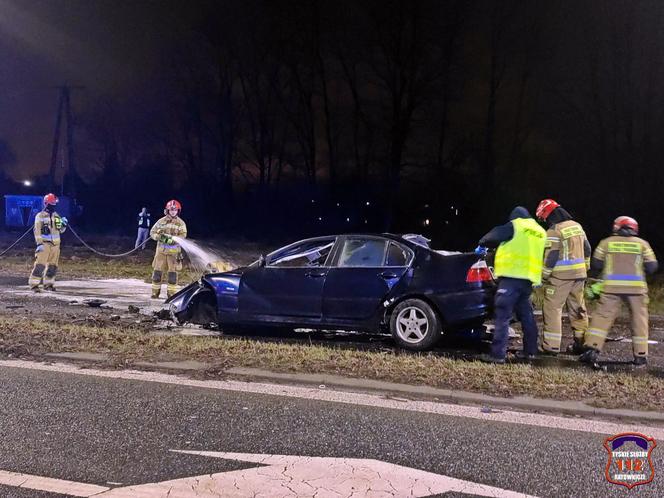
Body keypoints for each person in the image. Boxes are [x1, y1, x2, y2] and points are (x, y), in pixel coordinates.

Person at [580, 216, 658, 366]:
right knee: (639, 320)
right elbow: (652, 267)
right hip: (637, 290)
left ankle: (592, 349)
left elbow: (596, 264)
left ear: (617, 227)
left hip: (611, 288)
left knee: (602, 317)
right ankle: (640, 355)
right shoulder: (642, 244)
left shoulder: (606, 242)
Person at [477, 207, 546, 363]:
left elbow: (490, 237)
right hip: (528, 279)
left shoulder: (515, 225)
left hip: (511, 278)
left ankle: (497, 355)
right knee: (527, 316)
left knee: (502, 315)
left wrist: (482, 245)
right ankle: (531, 351)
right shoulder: (540, 231)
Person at [535, 199, 591, 355]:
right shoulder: (577, 226)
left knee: (552, 309)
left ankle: (551, 346)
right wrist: (586, 267)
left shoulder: (554, 231)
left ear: (549, 215)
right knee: (578, 309)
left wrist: (542, 277)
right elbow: (587, 249)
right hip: (579, 276)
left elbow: (551, 257)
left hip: (560, 278)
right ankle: (581, 343)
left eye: (544, 218)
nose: (545, 221)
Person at [28, 193, 68, 292]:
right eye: (51, 204)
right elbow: (36, 231)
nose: (53, 206)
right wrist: (39, 243)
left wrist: (64, 225)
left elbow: (61, 230)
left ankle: (49, 284)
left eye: (54, 204)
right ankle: (34, 285)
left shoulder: (56, 216)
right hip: (44, 245)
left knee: (52, 266)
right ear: (46, 204)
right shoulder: (40, 216)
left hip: (55, 245)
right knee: (40, 265)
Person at [149, 199, 187, 299]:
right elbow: (152, 232)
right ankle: (155, 293)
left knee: (172, 276)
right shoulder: (161, 222)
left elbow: (183, 235)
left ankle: (171, 294)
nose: (173, 211)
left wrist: (175, 240)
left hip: (174, 255)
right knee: (157, 273)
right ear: (167, 210)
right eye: (171, 210)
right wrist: (160, 237)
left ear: (178, 211)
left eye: (175, 210)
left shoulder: (181, 223)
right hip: (160, 253)